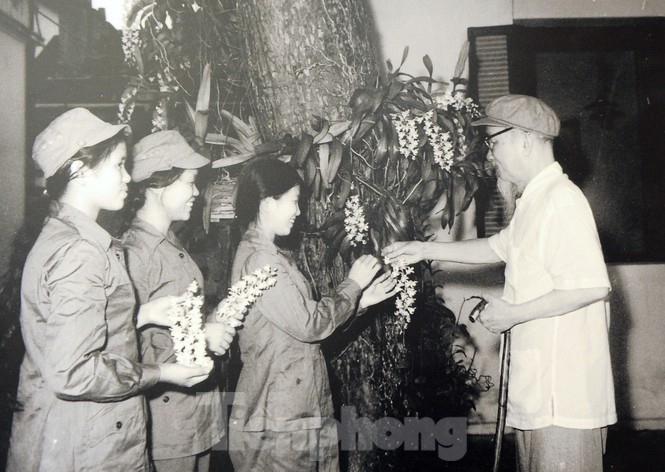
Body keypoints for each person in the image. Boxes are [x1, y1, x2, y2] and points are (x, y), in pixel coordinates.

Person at [384, 95, 616, 472]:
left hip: (564, 399)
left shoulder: (562, 202)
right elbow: (496, 246)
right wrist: (420, 248)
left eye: (494, 142)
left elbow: (590, 286)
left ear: (524, 139)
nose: (490, 156)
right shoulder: (535, 202)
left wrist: (514, 313)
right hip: (541, 396)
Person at [7, 108, 212, 472]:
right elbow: (72, 371)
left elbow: (70, 329)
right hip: (90, 445)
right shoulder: (81, 252)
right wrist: (161, 374)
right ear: (79, 172)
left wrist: (144, 314)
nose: (129, 177)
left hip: (77, 435)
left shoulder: (66, 237)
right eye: (119, 165)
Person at [228, 158, 397, 472]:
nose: (298, 211)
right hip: (280, 420)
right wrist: (352, 285)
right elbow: (309, 326)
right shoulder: (261, 261)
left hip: (295, 411)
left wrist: (360, 303)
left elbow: (297, 333)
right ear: (267, 203)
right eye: (293, 202)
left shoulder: (270, 255)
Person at [122, 130, 234, 471]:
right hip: (166, 430)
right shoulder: (135, 254)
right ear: (158, 186)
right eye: (190, 182)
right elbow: (123, 347)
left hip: (193, 421)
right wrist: (202, 337)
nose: (197, 192)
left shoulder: (169, 242)